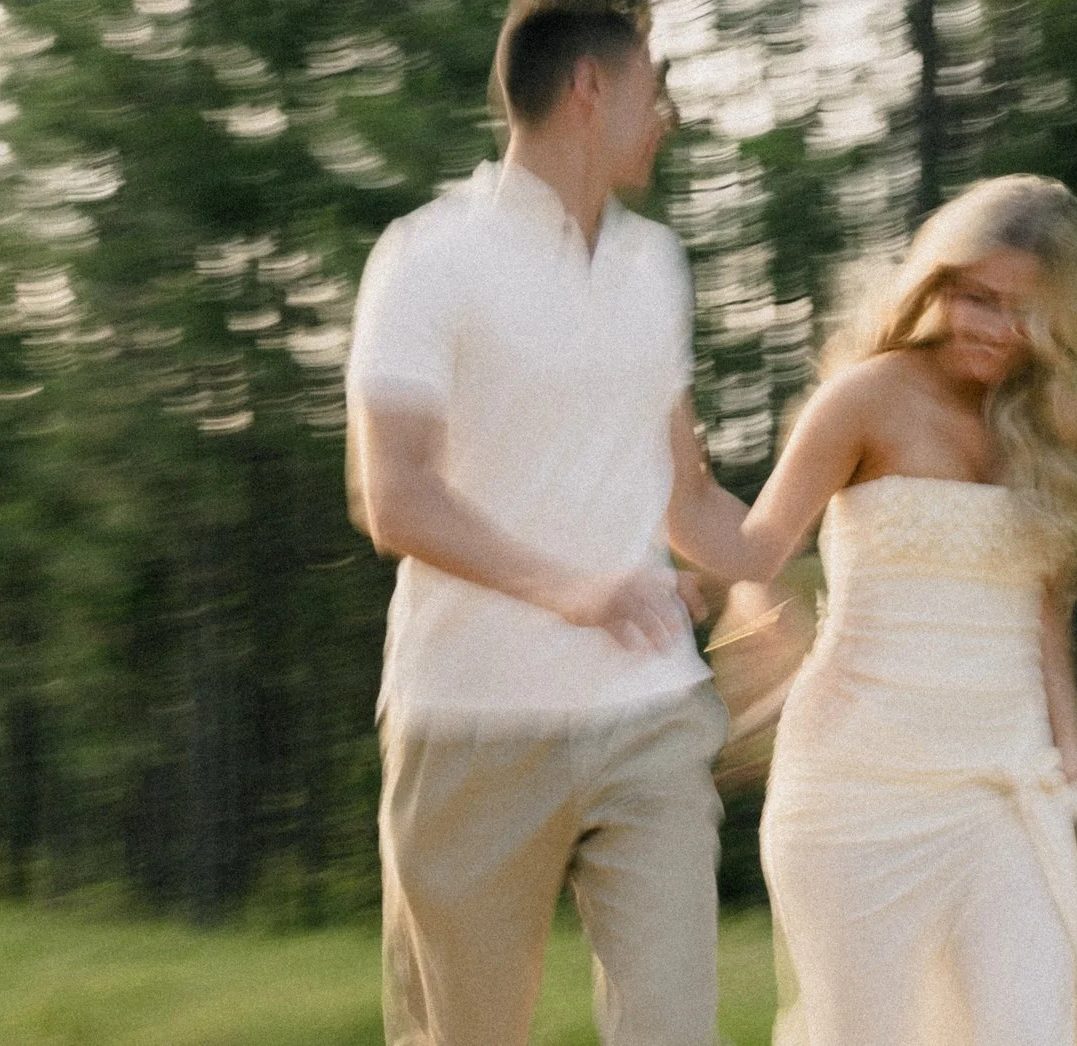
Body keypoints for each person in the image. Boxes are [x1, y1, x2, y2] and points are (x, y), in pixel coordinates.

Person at [668, 175, 1077, 1044]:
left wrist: (1073, 751)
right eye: (974, 295)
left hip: (1003, 786)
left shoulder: (1061, 417)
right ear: (935, 284)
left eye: (1021, 308)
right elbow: (755, 551)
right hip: (856, 789)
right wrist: (678, 488)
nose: (992, 326)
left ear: (1057, 318)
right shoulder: (864, 398)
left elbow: (1043, 612)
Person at [341, 6, 727, 1043]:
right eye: (656, 86)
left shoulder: (657, 264)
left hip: (646, 713)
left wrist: (779, 579)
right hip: (469, 727)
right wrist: (575, 588)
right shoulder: (428, 256)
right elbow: (396, 494)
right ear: (590, 91)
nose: (670, 113)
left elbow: (685, 495)